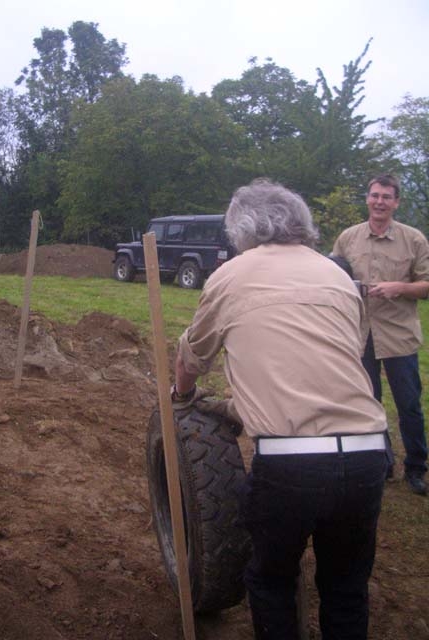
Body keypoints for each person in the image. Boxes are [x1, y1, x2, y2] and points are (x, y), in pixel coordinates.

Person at [172, 178, 388, 640]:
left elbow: (193, 357)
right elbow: (336, 362)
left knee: (271, 580)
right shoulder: (338, 276)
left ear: (241, 230)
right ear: (301, 224)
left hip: (291, 465)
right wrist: (242, 405)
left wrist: (182, 396)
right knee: (346, 586)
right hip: (369, 453)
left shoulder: (230, 276)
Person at [333, 174, 429, 496]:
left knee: (408, 404)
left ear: (396, 202)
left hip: (398, 336)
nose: (379, 202)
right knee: (368, 402)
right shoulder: (348, 238)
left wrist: (399, 288)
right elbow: (334, 277)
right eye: (375, 195)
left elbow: (427, 285)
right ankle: (382, 462)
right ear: (367, 199)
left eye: (387, 197)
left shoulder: (414, 239)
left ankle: (416, 467)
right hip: (359, 335)